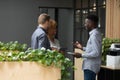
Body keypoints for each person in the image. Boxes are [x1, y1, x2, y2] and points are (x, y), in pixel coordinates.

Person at [73, 15, 102, 80]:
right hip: (90, 67)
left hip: (90, 67)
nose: (85, 25)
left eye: (86, 23)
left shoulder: (94, 35)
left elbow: (96, 52)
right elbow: (92, 49)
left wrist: (81, 55)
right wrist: (82, 48)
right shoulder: (95, 34)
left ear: (91, 23)